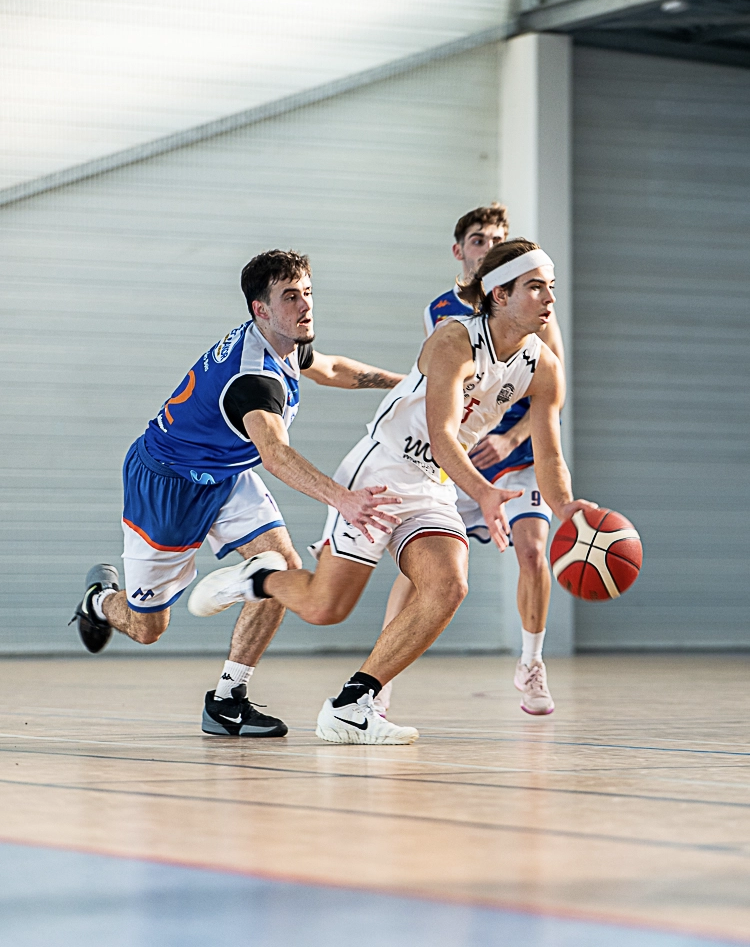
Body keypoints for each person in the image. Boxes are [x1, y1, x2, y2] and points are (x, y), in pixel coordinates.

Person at [188, 240, 595, 744]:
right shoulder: (453, 340)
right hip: (381, 471)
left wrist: (566, 508)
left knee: (448, 586)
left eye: (549, 287)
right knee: (325, 608)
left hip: (433, 486)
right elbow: (442, 436)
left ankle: (351, 705)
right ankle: (260, 579)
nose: (549, 298)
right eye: (535, 287)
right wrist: (484, 492)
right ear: (499, 294)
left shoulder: (544, 368)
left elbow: (549, 456)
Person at [69, 249, 404, 738]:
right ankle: (99, 601)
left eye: (308, 293)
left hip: (225, 475)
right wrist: (343, 499)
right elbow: (276, 455)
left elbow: (331, 368)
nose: (305, 305)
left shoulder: (284, 340)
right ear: (260, 309)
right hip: (168, 485)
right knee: (148, 628)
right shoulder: (253, 380)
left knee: (281, 569)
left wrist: (405, 386)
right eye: (290, 297)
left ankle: (228, 700)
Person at [380, 204, 566, 717]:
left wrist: (511, 439)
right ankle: (380, 677)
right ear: (460, 250)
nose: (490, 247)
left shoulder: (535, 309)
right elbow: (437, 393)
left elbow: (553, 390)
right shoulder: (441, 315)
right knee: (421, 569)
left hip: (515, 449)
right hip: (458, 452)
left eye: (499, 240)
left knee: (533, 550)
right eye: (481, 240)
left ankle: (531, 663)